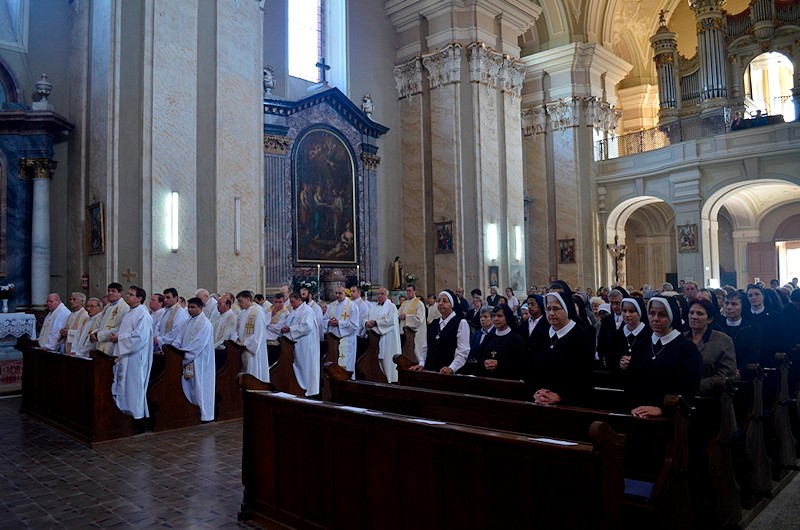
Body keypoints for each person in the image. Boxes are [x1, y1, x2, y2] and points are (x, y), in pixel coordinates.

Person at [622, 297, 702, 418]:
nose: (655, 319)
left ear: (671, 316)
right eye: (652, 313)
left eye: (662, 314)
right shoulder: (643, 345)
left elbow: (690, 388)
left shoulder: (686, 348)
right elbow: (631, 381)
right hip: (638, 414)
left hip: (672, 415)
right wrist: (635, 407)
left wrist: (661, 408)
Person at [526, 292, 594, 406]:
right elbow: (531, 368)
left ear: (566, 309)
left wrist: (560, 396)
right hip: (539, 402)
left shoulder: (581, 336)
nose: (551, 313)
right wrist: (537, 393)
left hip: (570, 404)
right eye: (548, 309)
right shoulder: (541, 334)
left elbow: (583, 376)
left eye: (556, 309)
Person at [109, 286, 153, 429]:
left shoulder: (143, 314)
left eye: (131, 294)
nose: (127, 296)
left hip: (135, 358)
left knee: (134, 389)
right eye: (128, 294)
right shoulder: (130, 312)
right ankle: (124, 415)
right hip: (126, 356)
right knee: (124, 387)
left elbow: (139, 337)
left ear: (139, 298)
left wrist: (119, 338)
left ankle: (137, 419)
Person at [175, 297, 215, 422]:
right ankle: (190, 412)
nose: (190, 310)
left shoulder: (205, 323)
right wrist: (175, 349)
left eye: (193, 307)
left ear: (200, 308)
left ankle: (203, 415)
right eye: (189, 307)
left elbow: (198, 344)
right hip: (187, 359)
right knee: (188, 387)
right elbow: (179, 338)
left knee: (199, 388)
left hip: (199, 361)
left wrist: (184, 356)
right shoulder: (187, 322)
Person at [685, 298, 737, 395]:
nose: (694, 317)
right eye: (691, 313)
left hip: (714, 397)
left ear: (710, 319)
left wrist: (694, 386)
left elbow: (726, 375)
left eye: (700, 314)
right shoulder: (682, 339)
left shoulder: (723, 341)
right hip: (683, 396)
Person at [411, 289, 470, 374]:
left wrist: (451, 368)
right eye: (439, 301)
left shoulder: (461, 323)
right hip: (430, 371)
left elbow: (463, 351)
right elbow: (426, 347)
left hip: (450, 374)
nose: (440, 303)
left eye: (445, 301)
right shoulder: (434, 323)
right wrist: (421, 364)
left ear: (452, 304)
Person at [281, 292, 320, 395]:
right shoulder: (294, 311)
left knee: (305, 367)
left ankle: (308, 391)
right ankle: (298, 389)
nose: (291, 304)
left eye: (293, 302)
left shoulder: (307, 311)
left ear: (299, 300)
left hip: (305, 344)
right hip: (294, 343)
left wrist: (290, 329)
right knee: (298, 367)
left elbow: (306, 327)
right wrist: (285, 329)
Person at [477, 304, 526, 380]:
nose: (496, 319)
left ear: (507, 317)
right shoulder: (488, 337)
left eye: (499, 316)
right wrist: (484, 362)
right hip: (488, 380)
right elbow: (479, 358)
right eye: (494, 316)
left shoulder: (516, 339)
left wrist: (499, 364)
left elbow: (520, 364)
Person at [364, 287, 401, 383]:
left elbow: (390, 321)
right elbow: (365, 317)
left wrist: (376, 323)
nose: (379, 296)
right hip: (374, 339)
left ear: (387, 295)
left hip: (388, 338)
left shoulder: (391, 307)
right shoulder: (373, 307)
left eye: (382, 294)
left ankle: (390, 379)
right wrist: (367, 323)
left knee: (387, 361)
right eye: (378, 294)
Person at [746, 284, 788, 367]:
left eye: (757, 294)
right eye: (750, 295)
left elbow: (782, 338)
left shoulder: (776, 317)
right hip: (749, 359)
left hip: (770, 357)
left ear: (763, 296)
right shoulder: (745, 316)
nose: (753, 297)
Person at [232, 290, 269, 382]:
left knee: (252, 371)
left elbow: (258, 333)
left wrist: (245, 343)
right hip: (240, 347)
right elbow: (234, 330)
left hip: (252, 349)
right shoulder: (241, 313)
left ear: (248, 299)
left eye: (240, 301)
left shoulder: (258, 311)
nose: (239, 304)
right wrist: (236, 339)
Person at [608, 297, 650, 375]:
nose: (627, 315)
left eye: (631, 311)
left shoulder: (649, 334)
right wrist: (619, 365)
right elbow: (610, 360)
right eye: (624, 311)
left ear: (639, 312)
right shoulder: (617, 335)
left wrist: (633, 362)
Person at [324, 286, 360, 372]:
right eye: (336, 293)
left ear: (345, 294)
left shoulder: (352, 306)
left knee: (346, 363)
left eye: (340, 293)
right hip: (333, 340)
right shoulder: (332, 305)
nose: (337, 295)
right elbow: (324, 319)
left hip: (347, 340)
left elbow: (354, 325)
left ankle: (347, 379)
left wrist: (339, 323)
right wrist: (328, 322)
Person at [397, 284, 426, 361]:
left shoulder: (419, 304)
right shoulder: (404, 303)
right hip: (403, 333)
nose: (408, 292)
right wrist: (399, 316)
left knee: (415, 354)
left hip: (414, 334)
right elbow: (398, 314)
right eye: (407, 291)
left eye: (410, 290)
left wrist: (406, 317)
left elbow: (419, 319)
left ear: (415, 291)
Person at [264, 292, 290, 366]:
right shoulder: (269, 309)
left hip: (275, 342)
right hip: (264, 341)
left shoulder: (285, 313)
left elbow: (278, 328)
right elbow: (262, 323)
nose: (277, 304)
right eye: (275, 302)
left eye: (280, 302)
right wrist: (272, 314)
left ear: (284, 302)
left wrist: (267, 325)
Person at [466, 306, 494, 371]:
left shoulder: (496, 334)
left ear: (492, 318)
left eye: (485, 317)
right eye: (481, 317)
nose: (482, 319)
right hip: (474, 369)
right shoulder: (475, 334)